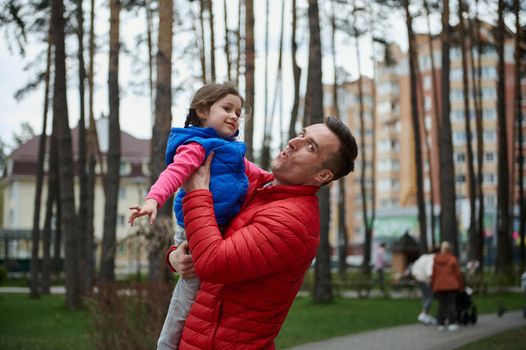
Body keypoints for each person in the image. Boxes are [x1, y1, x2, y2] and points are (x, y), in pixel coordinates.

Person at [167, 117, 358, 349]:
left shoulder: (292, 223)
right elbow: (209, 238)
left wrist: (198, 193)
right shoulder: (259, 188)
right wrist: (175, 256)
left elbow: (212, 262)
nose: (293, 142)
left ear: (322, 176)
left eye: (310, 147)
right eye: (301, 134)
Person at [128, 82, 247, 350]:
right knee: (188, 294)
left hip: (218, 226)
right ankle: (166, 345)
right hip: (194, 229)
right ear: (203, 110)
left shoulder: (229, 148)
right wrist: (153, 200)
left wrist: (274, 180)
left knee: (206, 292)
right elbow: (174, 173)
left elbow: (251, 175)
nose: (234, 116)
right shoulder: (197, 145)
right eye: (227, 108)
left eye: (238, 112)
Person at [431, 241, 463, 332]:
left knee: (441, 305)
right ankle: (452, 323)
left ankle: (441, 324)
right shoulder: (453, 259)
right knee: (451, 304)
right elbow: (458, 274)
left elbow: (434, 274)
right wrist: (460, 286)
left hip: (439, 285)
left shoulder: (436, 259)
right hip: (452, 285)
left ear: (442, 249)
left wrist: (433, 285)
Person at [411, 247, 438, 325]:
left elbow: (415, 265)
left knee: (425, 296)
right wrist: (431, 280)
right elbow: (429, 271)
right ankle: (424, 313)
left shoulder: (423, 257)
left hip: (418, 278)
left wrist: (415, 275)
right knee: (429, 296)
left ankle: (426, 314)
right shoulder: (432, 258)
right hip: (424, 279)